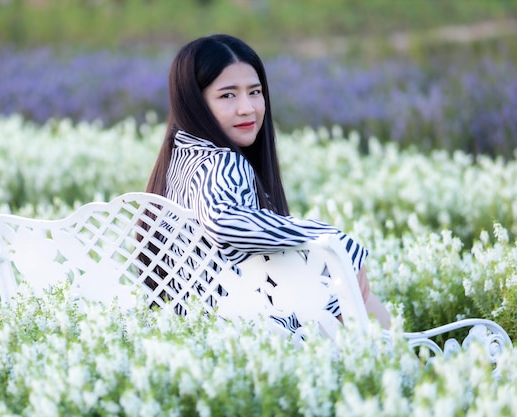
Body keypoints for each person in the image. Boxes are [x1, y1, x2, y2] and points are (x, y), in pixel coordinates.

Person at [146, 34, 390, 330]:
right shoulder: (222, 162)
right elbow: (223, 220)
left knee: (331, 289)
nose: (247, 108)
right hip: (245, 331)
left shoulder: (178, 160)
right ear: (195, 103)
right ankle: (403, 359)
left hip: (197, 330)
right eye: (227, 95)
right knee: (342, 293)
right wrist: (330, 237)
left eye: (255, 92)